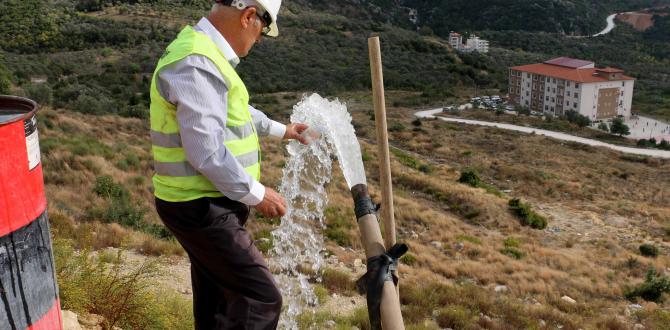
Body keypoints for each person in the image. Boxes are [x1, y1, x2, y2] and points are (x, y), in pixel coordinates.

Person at [149, 0, 308, 328]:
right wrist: (257, 193)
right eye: (263, 29)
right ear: (249, 16)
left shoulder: (206, 56)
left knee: (218, 302)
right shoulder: (197, 62)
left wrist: (283, 130)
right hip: (201, 207)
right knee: (260, 298)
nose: (260, 39)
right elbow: (205, 152)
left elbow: (236, 111)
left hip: (201, 203)